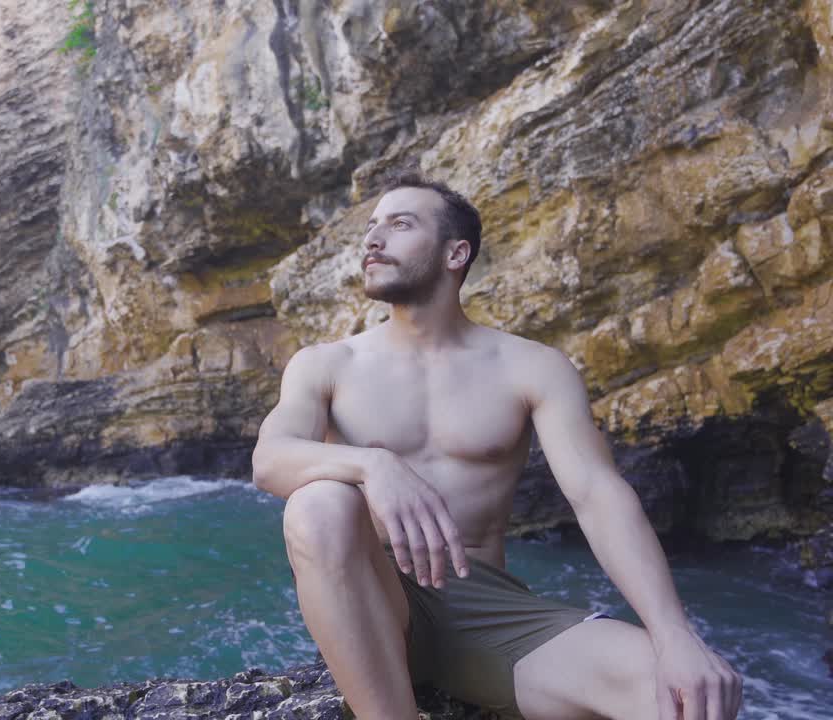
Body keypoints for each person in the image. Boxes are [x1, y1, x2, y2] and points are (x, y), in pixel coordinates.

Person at [250, 168, 743, 720]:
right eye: (371, 226)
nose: (373, 239)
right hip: (376, 605)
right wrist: (372, 464)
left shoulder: (531, 367)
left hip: (490, 611)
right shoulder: (325, 364)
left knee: (687, 695)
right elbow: (269, 461)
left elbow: (597, 495)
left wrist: (673, 634)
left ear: (454, 254)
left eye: (400, 224)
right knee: (320, 502)